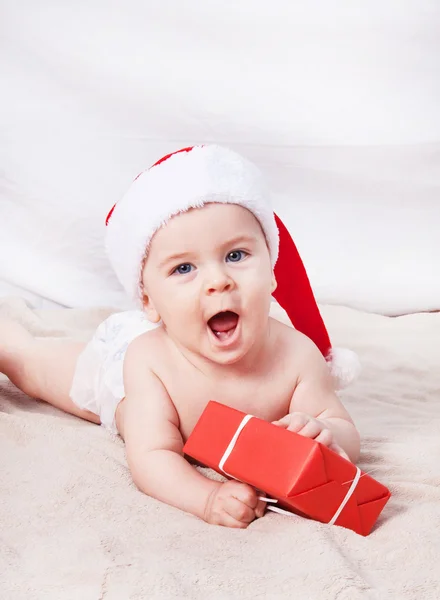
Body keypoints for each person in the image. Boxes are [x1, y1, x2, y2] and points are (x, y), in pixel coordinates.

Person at [0, 145, 360, 529]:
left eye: (236, 255)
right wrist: (206, 498)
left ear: (271, 272)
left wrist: (328, 434)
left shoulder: (297, 356)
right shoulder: (149, 361)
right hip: (121, 382)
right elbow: (152, 455)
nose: (218, 281)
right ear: (149, 302)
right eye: (184, 268)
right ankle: (10, 345)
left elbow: (343, 429)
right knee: (34, 366)